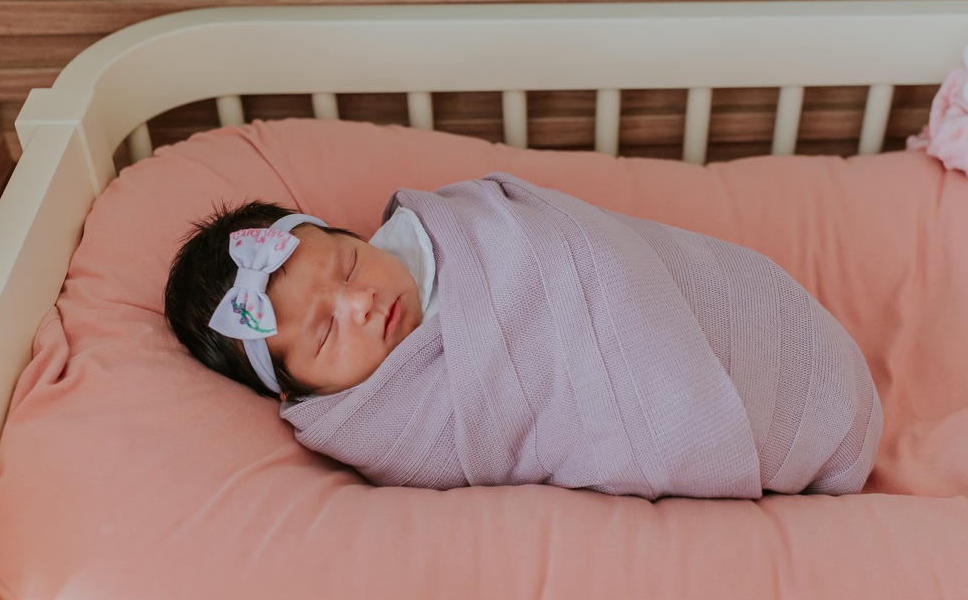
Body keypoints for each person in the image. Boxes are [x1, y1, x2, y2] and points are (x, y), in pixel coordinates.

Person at [165, 173, 882, 500]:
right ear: (299, 390)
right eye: (325, 332)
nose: (361, 302)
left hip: (684, 301)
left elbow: (582, 253)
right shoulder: (387, 427)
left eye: (349, 264)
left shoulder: (458, 228)